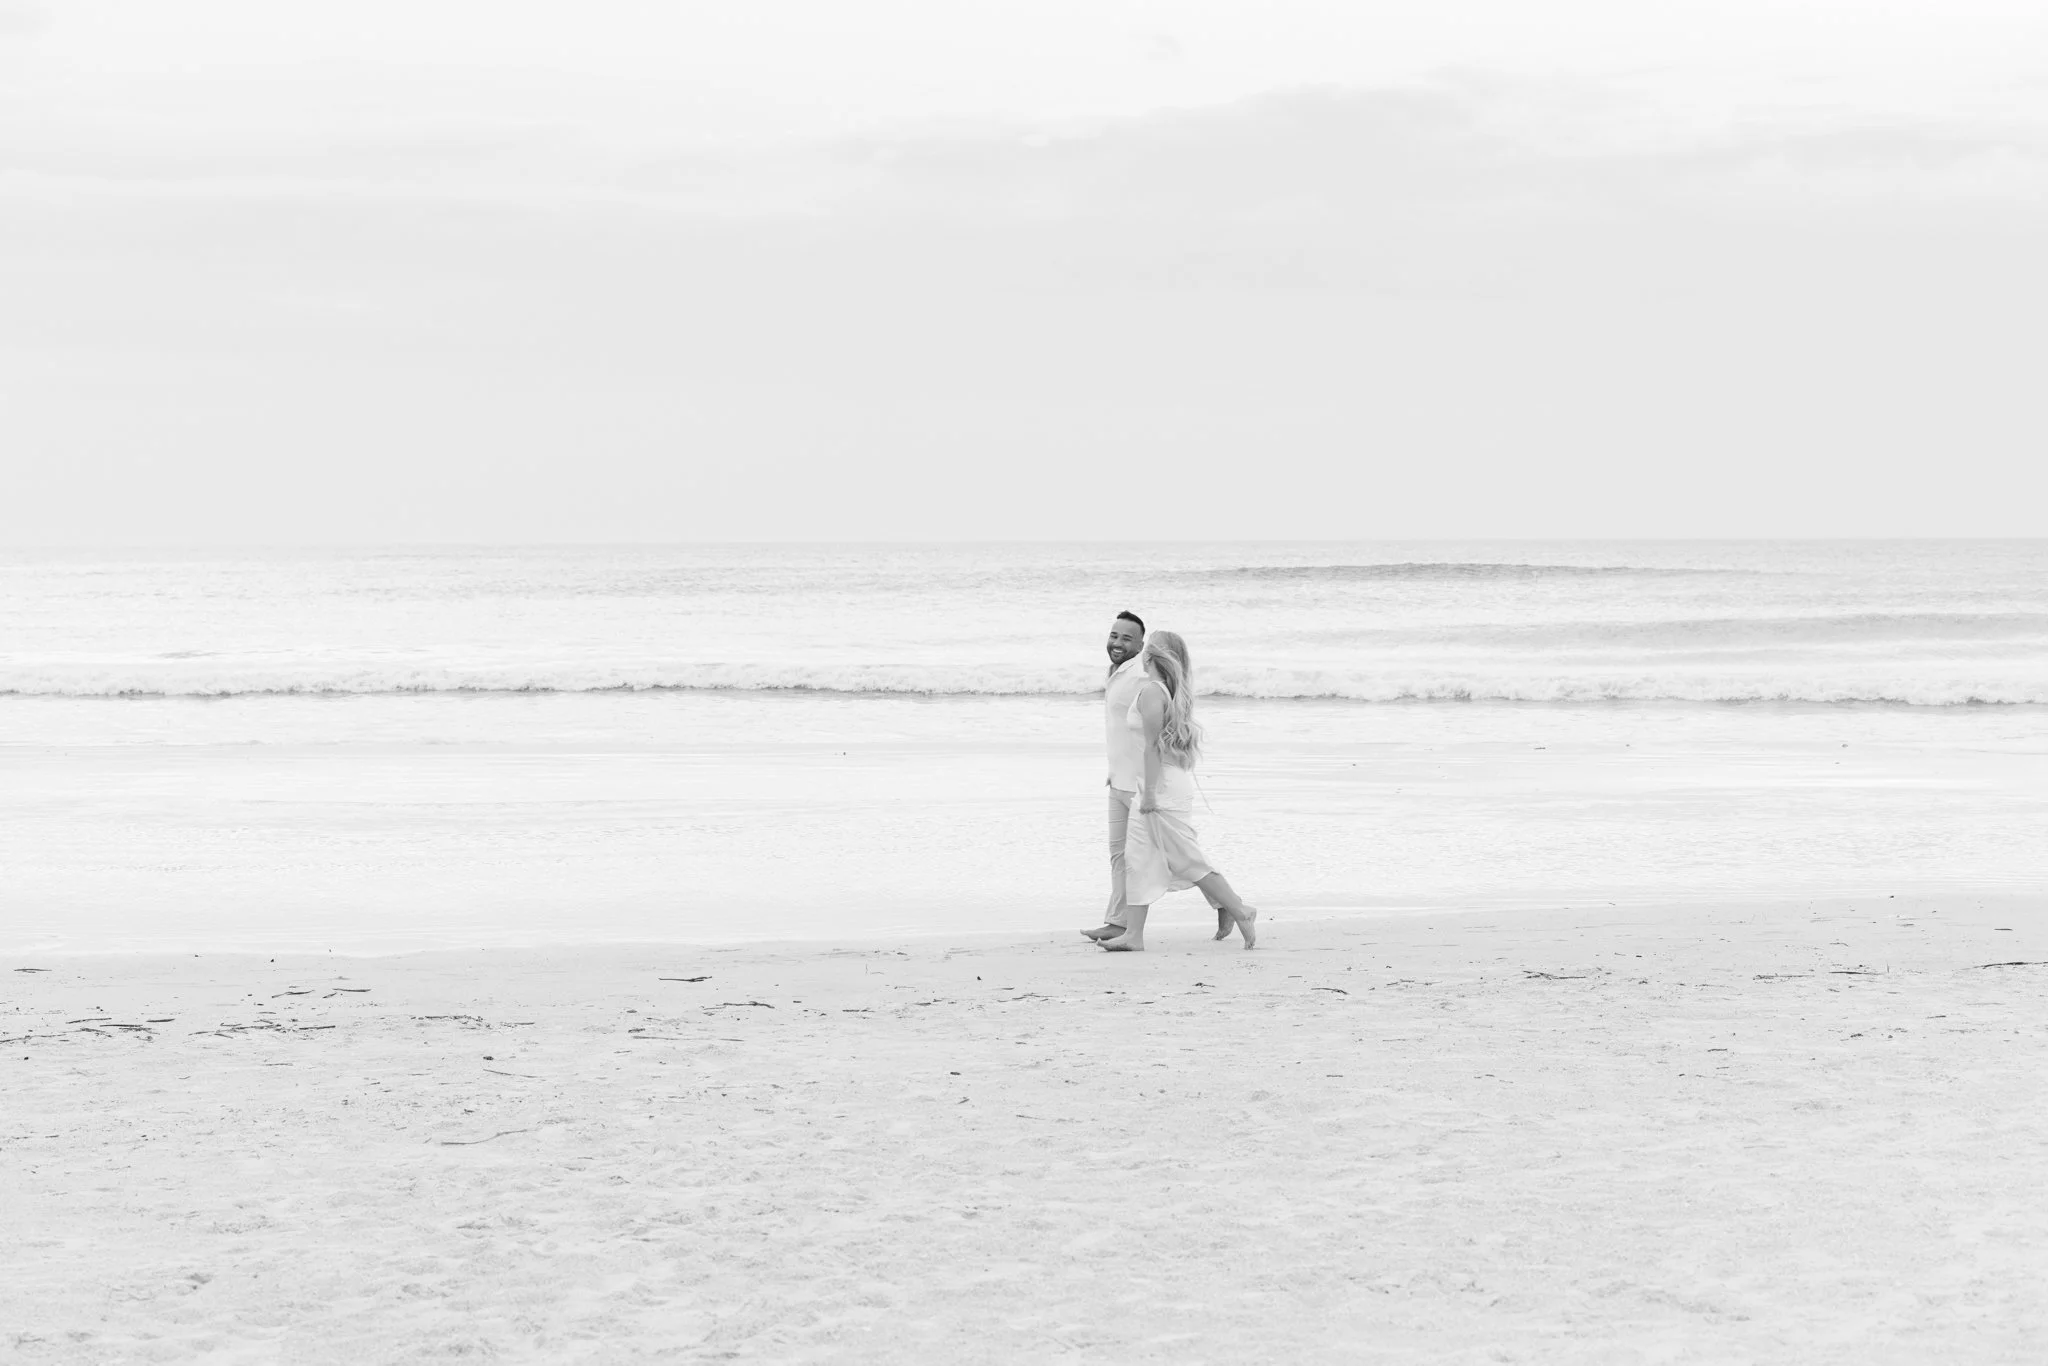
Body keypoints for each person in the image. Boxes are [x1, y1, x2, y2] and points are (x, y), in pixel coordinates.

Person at [1096, 631, 1258, 952]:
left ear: (1150, 656)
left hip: (1160, 788)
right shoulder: (1161, 691)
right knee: (1140, 858)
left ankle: (1240, 909)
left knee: (1185, 859)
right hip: (1158, 783)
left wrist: (1150, 795)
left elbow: (1153, 748)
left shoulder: (1151, 692)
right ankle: (1133, 935)